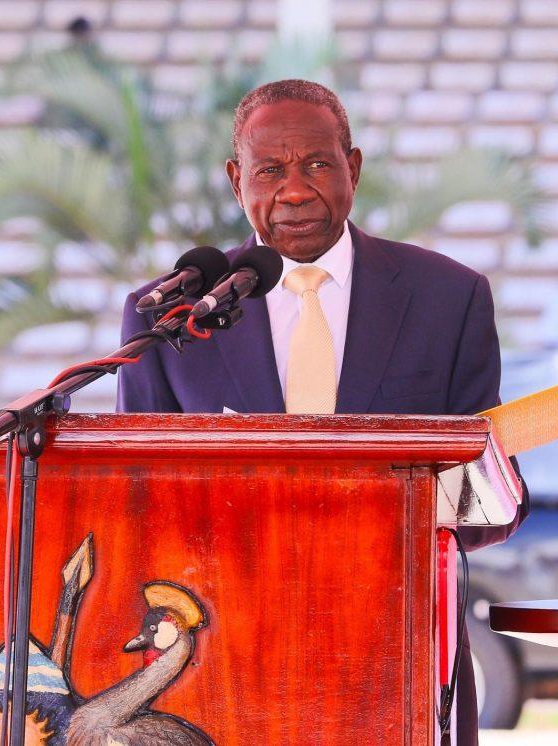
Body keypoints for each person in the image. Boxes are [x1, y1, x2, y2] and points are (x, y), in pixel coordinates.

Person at [116, 79, 529, 746]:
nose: (295, 190)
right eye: (269, 170)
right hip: (223, 666)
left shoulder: (448, 299)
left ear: (352, 169)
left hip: (397, 656)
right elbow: (137, 509)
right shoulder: (171, 315)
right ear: (236, 180)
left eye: (316, 164)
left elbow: (494, 503)